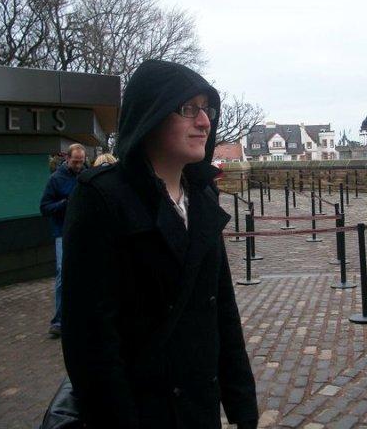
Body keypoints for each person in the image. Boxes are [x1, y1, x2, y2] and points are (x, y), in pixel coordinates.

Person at [61, 60, 259, 428]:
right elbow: (91, 340)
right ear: (151, 114)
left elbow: (221, 307)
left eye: (207, 109)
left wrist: (242, 402)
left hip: (199, 409)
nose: (205, 122)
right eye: (188, 109)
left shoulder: (203, 195)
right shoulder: (101, 198)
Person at [40, 143, 86, 338]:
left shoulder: (86, 176)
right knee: (63, 273)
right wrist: (65, 204)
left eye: (81, 162)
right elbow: (44, 207)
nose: (78, 165)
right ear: (67, 159)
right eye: (75, 162)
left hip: (83, 231)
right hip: (63, 232)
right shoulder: (55, 179)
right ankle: (58, 321)